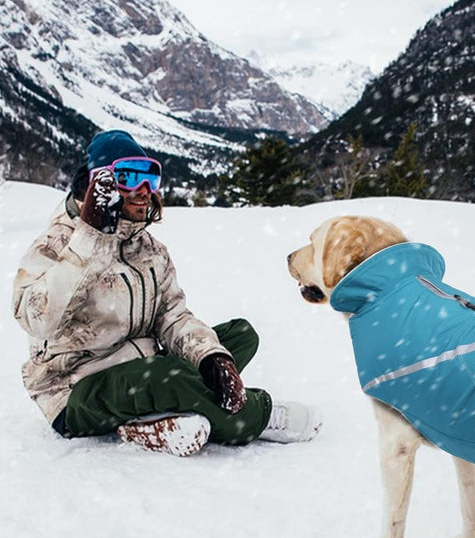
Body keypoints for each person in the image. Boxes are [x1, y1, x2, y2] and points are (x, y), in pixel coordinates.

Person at [12, 129, 321, 456]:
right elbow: (36, 320)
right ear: (99, 184)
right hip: (75, 391)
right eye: (130, 177)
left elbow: (172, 316)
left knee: (240, 336)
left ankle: (157, 417)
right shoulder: (58, 243)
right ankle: (254, 416)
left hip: (142, 367)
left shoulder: (148, 249)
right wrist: (90, 240)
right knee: (167, 375)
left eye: (151, 176)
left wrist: (210, 357)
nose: (144, 190)